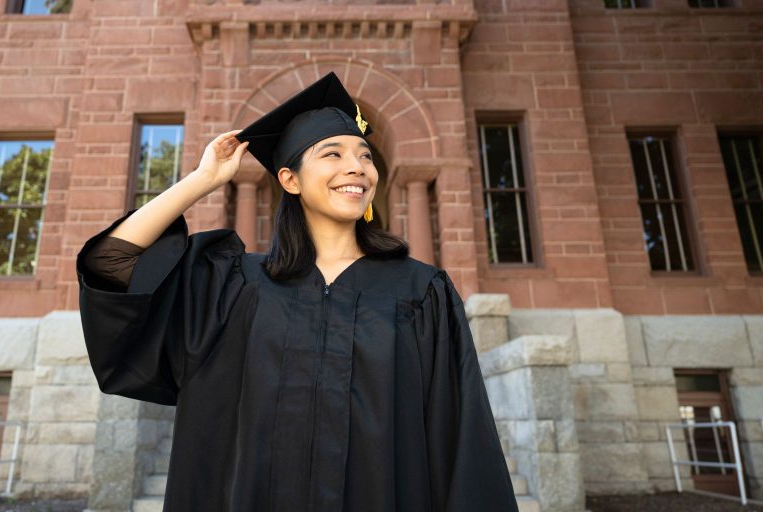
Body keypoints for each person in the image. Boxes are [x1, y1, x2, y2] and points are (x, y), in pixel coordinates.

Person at [77, 72, 518, 511]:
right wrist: (203, 179)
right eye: (333, 153)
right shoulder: (232, 286)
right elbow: (111, 263)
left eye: (365, 156)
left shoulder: (421, 292)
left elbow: (462, 434)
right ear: (290, 180)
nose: (357, 167)